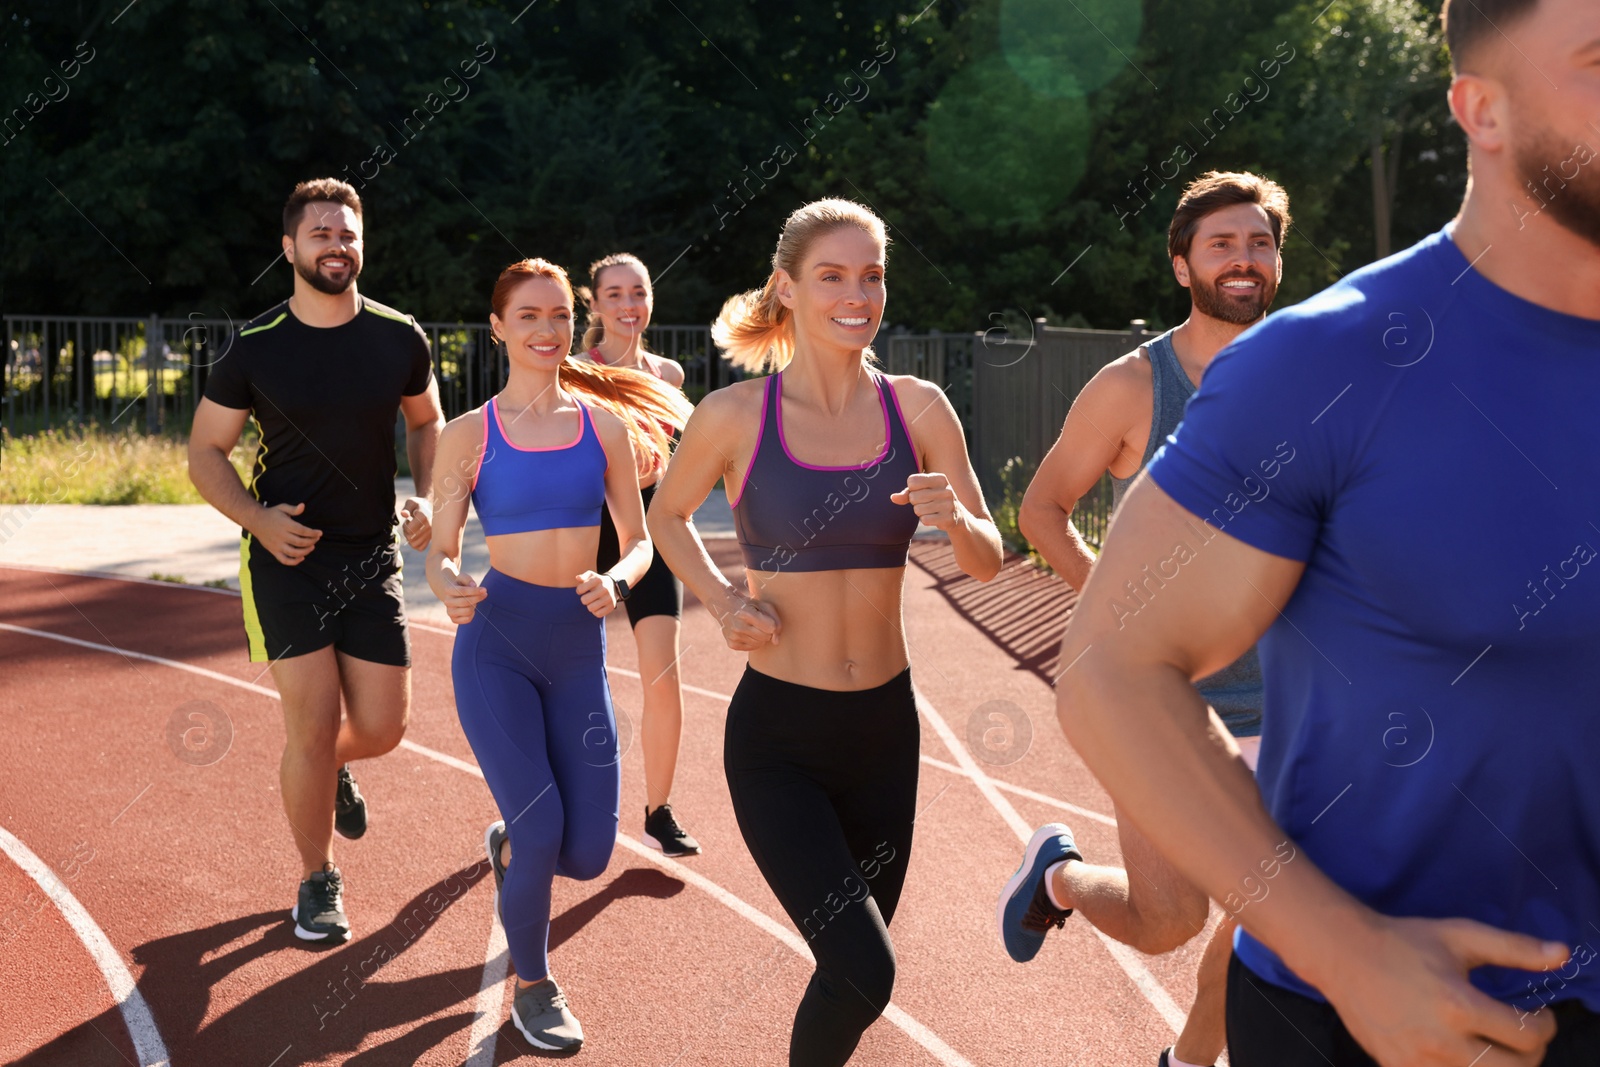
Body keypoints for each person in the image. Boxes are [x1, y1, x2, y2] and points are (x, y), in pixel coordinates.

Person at [1053, 1, 1600, 1064]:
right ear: (1479, 110)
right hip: (1363, 1026)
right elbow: (1111, 666)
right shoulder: (1323, 365)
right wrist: (1344, 952)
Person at [650, 198, 1004, 1066]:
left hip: (885, 732)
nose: (858, 293)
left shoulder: (919, 408)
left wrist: (953, 514)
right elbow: (666, 516)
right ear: (789, 287)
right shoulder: (735, 414)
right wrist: (726, 600)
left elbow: (990, 557)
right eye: (833, 275)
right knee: (865, 964)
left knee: (849, 977)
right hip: (780, 740)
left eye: (872, 274)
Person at [998, 171, 1291, 1067]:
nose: (1243, 260)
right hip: (1161, 698)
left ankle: (1186, 1062)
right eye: (1222, 244)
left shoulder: (1311, 372)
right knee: (1170, 920)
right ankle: (1058, 873)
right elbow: (1042, 508)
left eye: (1259, 243)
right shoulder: (1134, 384)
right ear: (1181, 264)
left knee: (1261, 923)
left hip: (1289, 702)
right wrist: (1124, 612)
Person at [426, 258, 692, 1051]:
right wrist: (449, 585)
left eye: (559, 318)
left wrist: (615, 577)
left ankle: (510, 847)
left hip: (576, 647)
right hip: (496, 646)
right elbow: (439, 552)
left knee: (587, 852)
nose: (547, 331)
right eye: (529, 317)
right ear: (499, 326)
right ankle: (534, 987)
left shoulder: (604, 427)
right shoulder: (467, 434)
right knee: (544, 827)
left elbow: (641, 542)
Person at [188, 178, 443, 944]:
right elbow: (205, 453)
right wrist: (257, 520)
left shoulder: (400, 336)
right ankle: (315, 878)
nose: (338, 245)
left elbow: (427, 423)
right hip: (287, 556)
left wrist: (425, 495)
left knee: (385, 725)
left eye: (348, 233)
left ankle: (328, 769)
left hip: (372, 555)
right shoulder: (255, 346)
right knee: (311, 723)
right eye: (322, 233)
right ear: (290, 248)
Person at [575, 252, 701, 857]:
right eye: (615, 294)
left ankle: (659, 810)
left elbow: (674, 466)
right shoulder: (574, 373)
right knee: (570, 680)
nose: (629, 306)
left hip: (646, 539)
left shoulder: (668, 375)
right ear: (594, 304)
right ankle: (547, 801)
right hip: (586, 536)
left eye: (638, 293)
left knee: (664, 677)